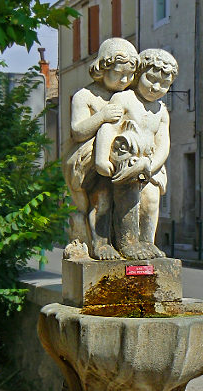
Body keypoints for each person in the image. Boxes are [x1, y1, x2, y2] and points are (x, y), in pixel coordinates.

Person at [93, 48, 178, 260]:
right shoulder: (124, 99)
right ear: (139, 74)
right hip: (125, 161)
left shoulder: (161, 110)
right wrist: (101, 159)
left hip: (150, 165)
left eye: (164, 84)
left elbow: (163, 143)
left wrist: (152, 165)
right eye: (151, 79)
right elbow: (108, 128)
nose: (156, 87)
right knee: (128, 200)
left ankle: (147, 241)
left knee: (151, 200)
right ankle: (127, 242)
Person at [62, 38, 139, 260]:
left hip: (120, 160)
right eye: (118, 73)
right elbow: (77, 131)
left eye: (129, 75)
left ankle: (128, 242)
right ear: (102, 68)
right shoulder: (85, 96)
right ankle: (100, 244)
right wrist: (102, 117)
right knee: (102, 195)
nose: (124, 80)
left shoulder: (130, 97)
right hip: (88, 160)